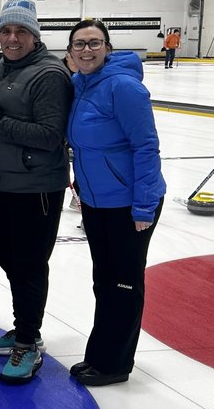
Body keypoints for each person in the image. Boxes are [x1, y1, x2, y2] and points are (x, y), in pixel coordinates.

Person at [0, 0, 71, 384]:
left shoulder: (49, 73)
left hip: (34, 188)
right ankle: (26, 328)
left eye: (20, 31)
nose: (11, 38)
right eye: (5, 30)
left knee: (27, 266)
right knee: (10, 261)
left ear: (35, 35)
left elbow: (49, 134)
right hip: (2, 183)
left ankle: (28, 342)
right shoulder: (5, 68)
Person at [64, 19, 165, 387]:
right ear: (70, 51)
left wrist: (143, 207)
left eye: (94, 43)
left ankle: (115, 364)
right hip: (94, 202)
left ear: (107, 47)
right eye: (80, 44)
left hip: (128, 203)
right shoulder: (78, 85)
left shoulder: (124, 88)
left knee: (123, 284)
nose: (86, 50)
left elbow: (146, 147)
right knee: (104, 280)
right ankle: (100, 354)